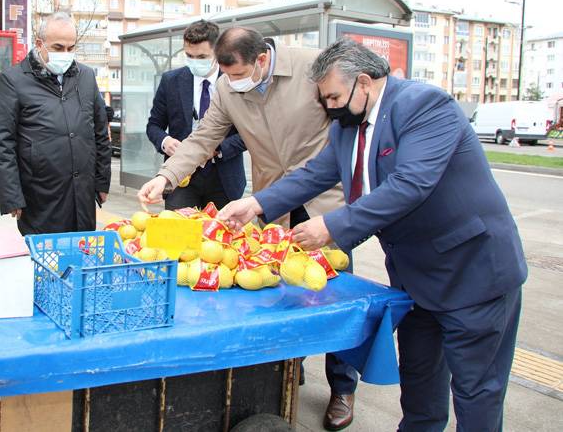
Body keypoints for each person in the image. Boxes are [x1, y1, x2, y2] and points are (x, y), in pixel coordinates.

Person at [218, 38, 527, 431]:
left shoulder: (425, 106)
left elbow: (409, 185)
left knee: (475, 392)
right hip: (414, 281)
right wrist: (256, 205)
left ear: (363, 83)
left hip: (472, 273)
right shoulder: (348, 127)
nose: (328, 107)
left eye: (332, 97)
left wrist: (330, 225)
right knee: (420, 387)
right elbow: (315, 174)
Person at [138, 27, 359, 430]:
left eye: (237, 73)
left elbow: (348, 127)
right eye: (226, 75)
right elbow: (204, 136)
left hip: (325, 200)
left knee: (334, 294)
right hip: (273, 203)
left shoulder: (313, 69)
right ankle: (289, 372)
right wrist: (167, 177)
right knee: (283, 291)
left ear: (261, 60)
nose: (232, 83)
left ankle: (343, 386)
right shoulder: (227, 87)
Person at [0, 12, 111, 235]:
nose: (65, 54)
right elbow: (2, 143)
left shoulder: (85, 77)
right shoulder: (13, 81)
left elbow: (100, 132)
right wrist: (12, 196)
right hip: (39, 194)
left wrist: (102, 182)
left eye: (70, 48)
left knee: (81, 256)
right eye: (58, 48)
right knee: (46, 259)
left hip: (82, 193)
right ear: (40, 44)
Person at [146, 20, 246, 210]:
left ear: (217, 52)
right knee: (177, 234)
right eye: (189, 56)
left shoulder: (234, 81)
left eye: (201, 56)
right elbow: (153, 126)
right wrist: (165, 141)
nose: (194, 61)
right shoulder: (171, 81)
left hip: (224, 179)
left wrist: (219, 148)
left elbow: (249, 132)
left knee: (221, 236)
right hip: (181, 180)